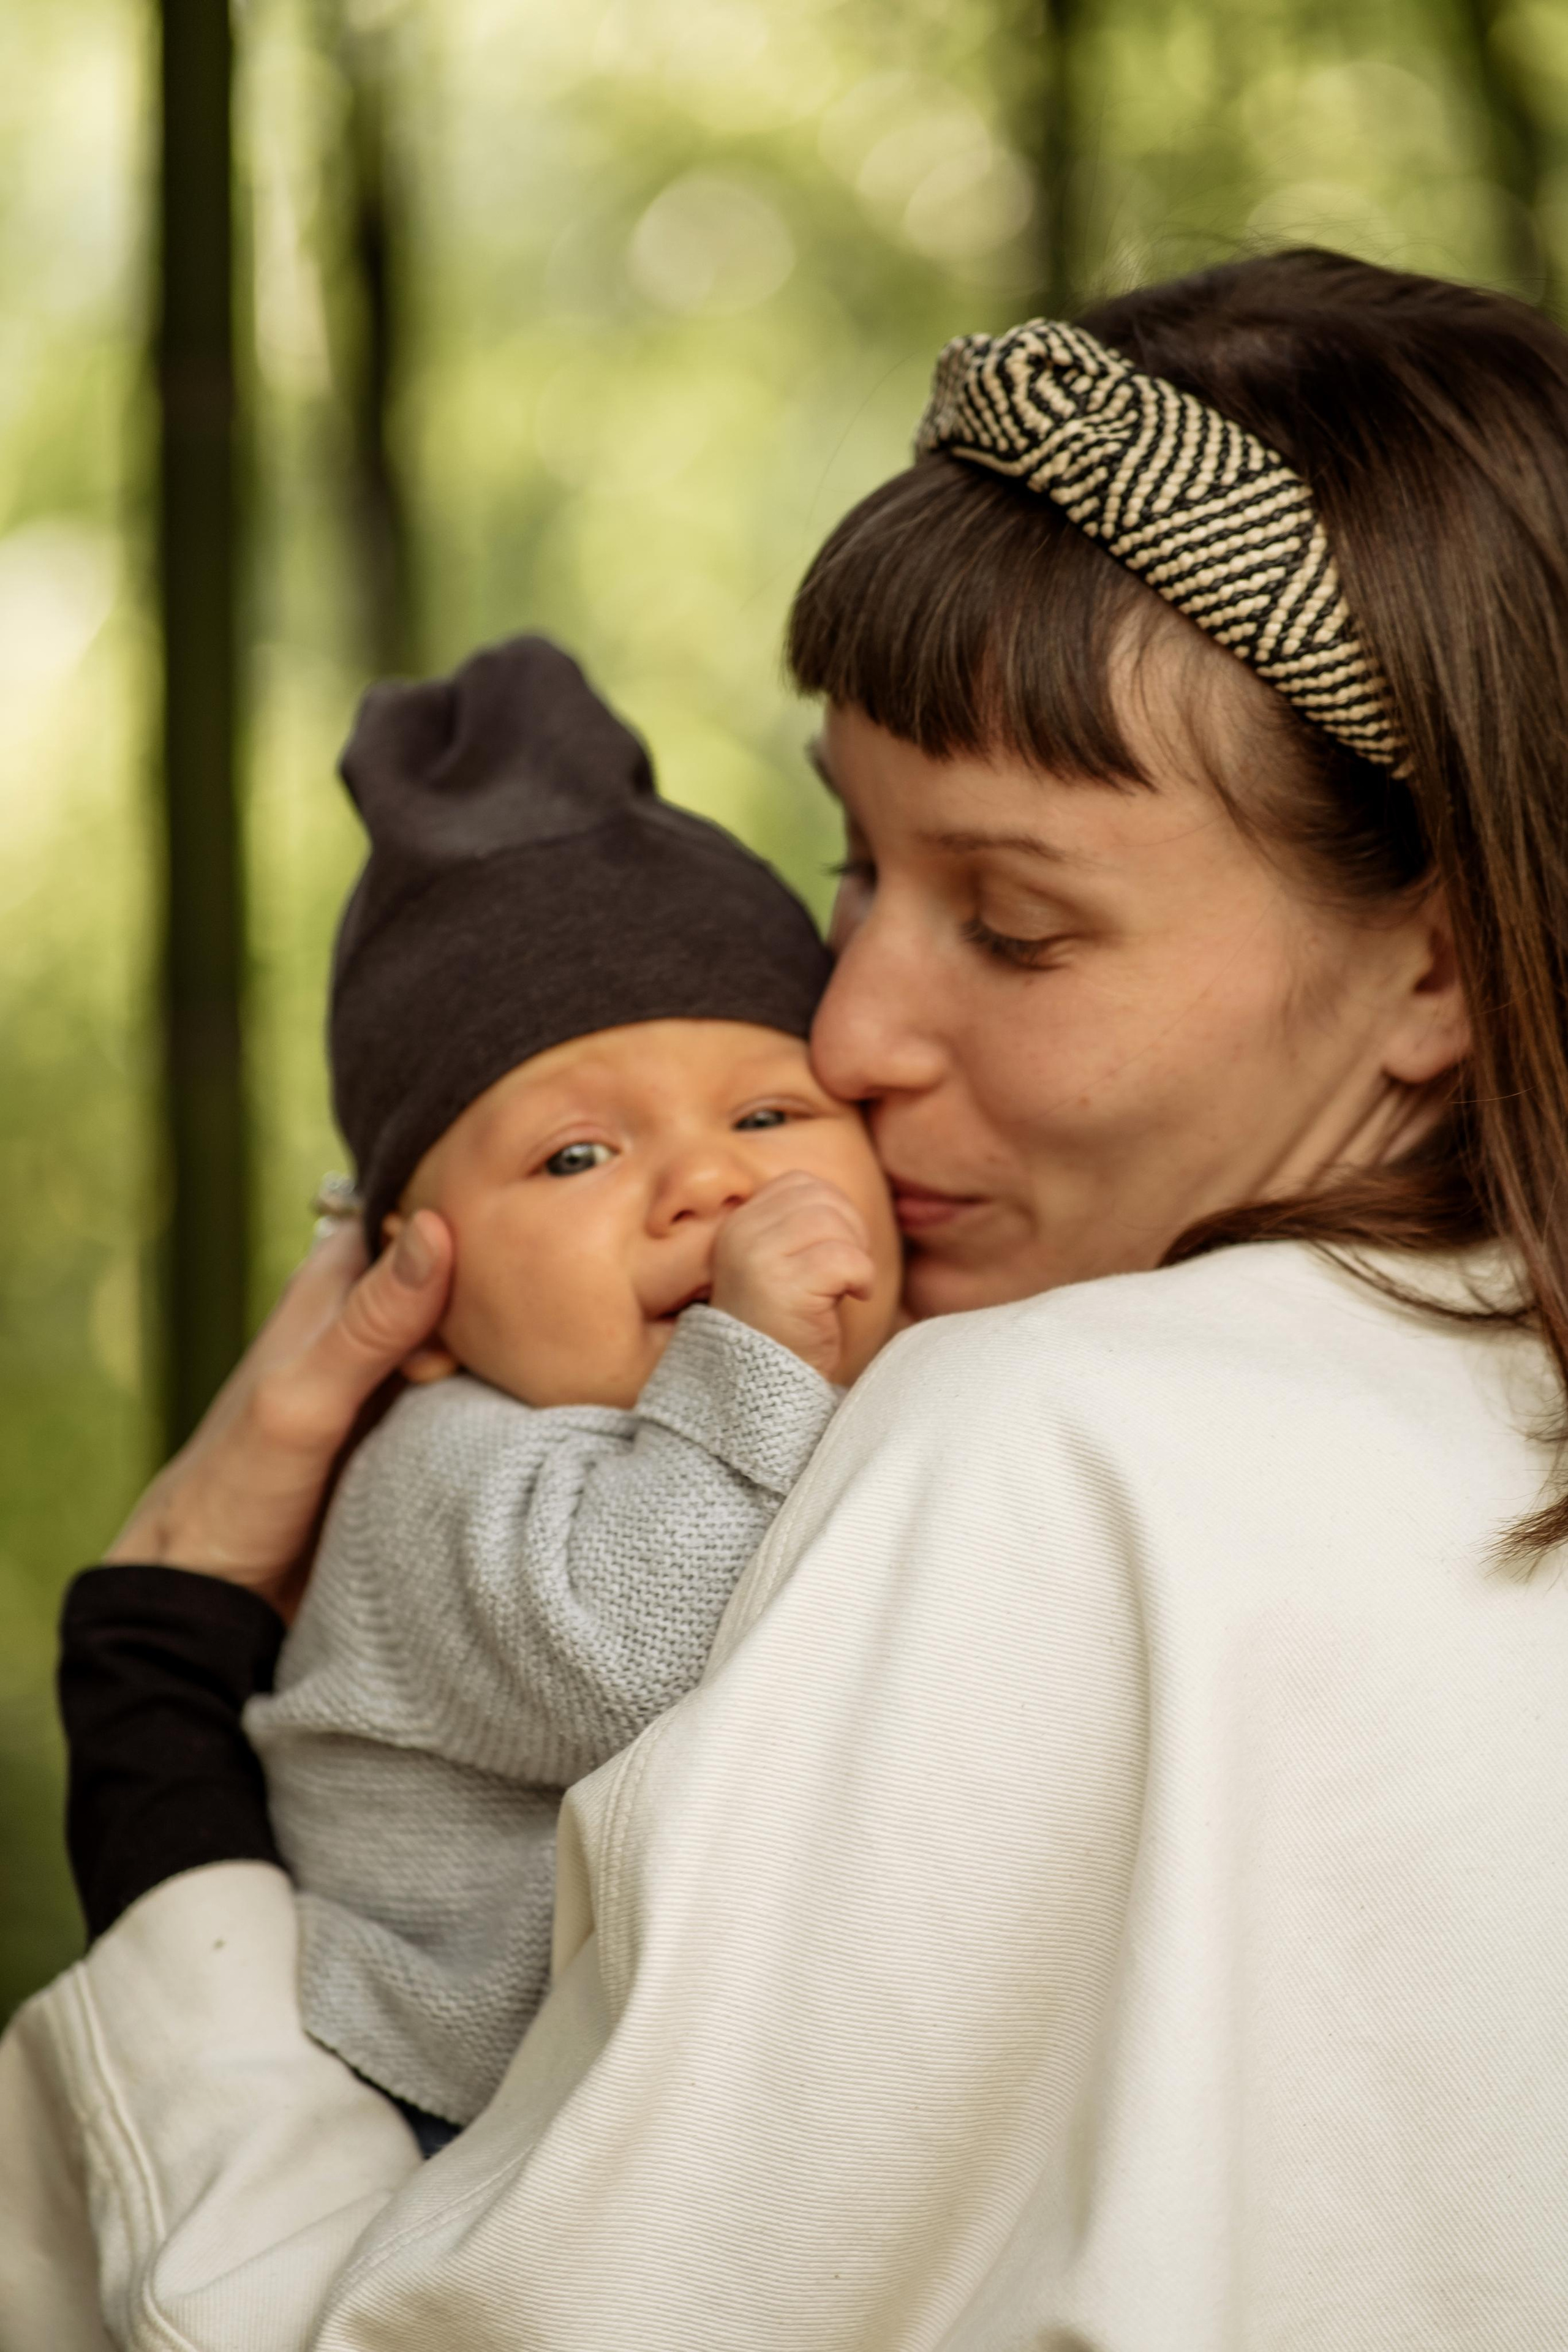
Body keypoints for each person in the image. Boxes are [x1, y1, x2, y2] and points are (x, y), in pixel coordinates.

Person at [6, 246, 1568, 2350]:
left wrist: (169, 1737)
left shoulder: (1039, 1446)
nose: (845, 1035)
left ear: (1442, 963)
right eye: (855, 865)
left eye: (1011, 925)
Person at [241, 631, 899, 2153]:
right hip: (420, 2095)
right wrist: (763, 1358)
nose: (706, 1183)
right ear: (415, 1297)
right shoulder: (446, 1466)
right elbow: (635, 1649)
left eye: (766, 1110)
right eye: (577, 1157)